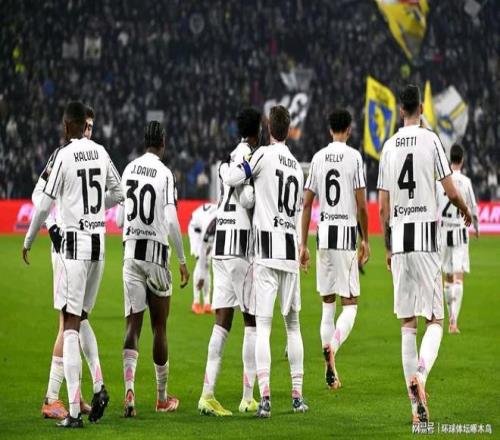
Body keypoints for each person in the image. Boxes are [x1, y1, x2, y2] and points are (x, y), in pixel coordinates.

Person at [22, 101, 124, 428]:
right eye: (88, 126)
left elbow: (43, 202)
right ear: (83, 126)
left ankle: (68, 405)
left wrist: (31, 237)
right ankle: (90, 387)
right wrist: (90, 210)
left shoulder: (63, 155)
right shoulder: (100, 152)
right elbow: (119, 192)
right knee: (77, 320)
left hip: (72, 246)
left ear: (67, 126)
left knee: (69, 324)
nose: (90, 131)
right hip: (97, 245)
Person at [377, 85, 472, 424]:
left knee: (407, 323)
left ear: (401, 110)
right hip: (426, 240)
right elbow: (450, 189)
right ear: (420, 106)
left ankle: (415, 410)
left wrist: (387, 247)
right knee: (435, 320)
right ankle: (421, 374)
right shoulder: (431, 140)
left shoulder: (389, 146)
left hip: (400, 241)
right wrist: (465, 209)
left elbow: (383, 206)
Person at [224, 105, 307, 418]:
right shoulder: (297, 167)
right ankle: (297, 397)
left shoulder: (262, 155)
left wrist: (225, 171)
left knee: (263, 327)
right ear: (289, 129)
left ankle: (267, 398)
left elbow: (235, 177)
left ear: (270, 128)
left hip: (266, 252)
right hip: (290, 251)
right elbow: (297, 213)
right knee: (293, 327)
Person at [117, 121, 189, 416]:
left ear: (144, 141)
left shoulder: (129, 169)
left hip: (131, 253)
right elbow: (170, 220)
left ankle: (129, 392)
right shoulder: (165, 173)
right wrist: (182, 260)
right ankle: (161, 398)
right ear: (163, 143)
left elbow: (119, 217)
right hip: (157, 255)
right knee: (160, 326)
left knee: (132, 325)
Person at [300, 108, 370, 390]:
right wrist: (365, 239)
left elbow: (307, 204)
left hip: (323, 234)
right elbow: (362, 205)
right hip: (345, 235)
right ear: (349, 130)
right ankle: (333, 348)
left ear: (330, 129)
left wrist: (303, 243)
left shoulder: (317, 158)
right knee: (350, 304)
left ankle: (330, 370)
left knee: (327, 305)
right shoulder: (354, 157)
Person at [198, 107, 261, 416]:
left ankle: (207, 394)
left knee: (222, 322)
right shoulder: (251, 157)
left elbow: (229, 184)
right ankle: (248, 396)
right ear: (257, 131)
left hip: (220, 245)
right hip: (239, 245)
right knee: (252, 321)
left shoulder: (228, 157)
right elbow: (247, 199)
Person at [37, 105, 96, 419]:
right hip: (65, 249)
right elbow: (39, 193)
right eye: (85, 126)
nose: (88, 132)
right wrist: (52, 226)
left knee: (78, 320)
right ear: (76, 127)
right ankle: (51, 398)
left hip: (83, 249)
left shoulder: (90, 157)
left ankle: (76, 394)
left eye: (92, 127)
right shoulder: (60, 156)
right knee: (68, 322)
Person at [437, 144, 479, 333]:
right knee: (458, 274)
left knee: (447, 276)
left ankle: (450, 318)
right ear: (461, 160)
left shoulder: (441, 181)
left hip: (443, 231)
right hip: (460, 230)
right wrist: (476, 227)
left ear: (449, 159)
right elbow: (473, 207)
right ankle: (454, 322)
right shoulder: (465, 182)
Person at [188, 202, 217, 314]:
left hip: (206, 226)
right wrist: (201, 277)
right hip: (196, 229)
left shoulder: (224, 218)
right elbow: (203, 252)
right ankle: (195, 303)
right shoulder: (209, 226)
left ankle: (207, 303)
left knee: (207, 264)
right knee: (201, 263)